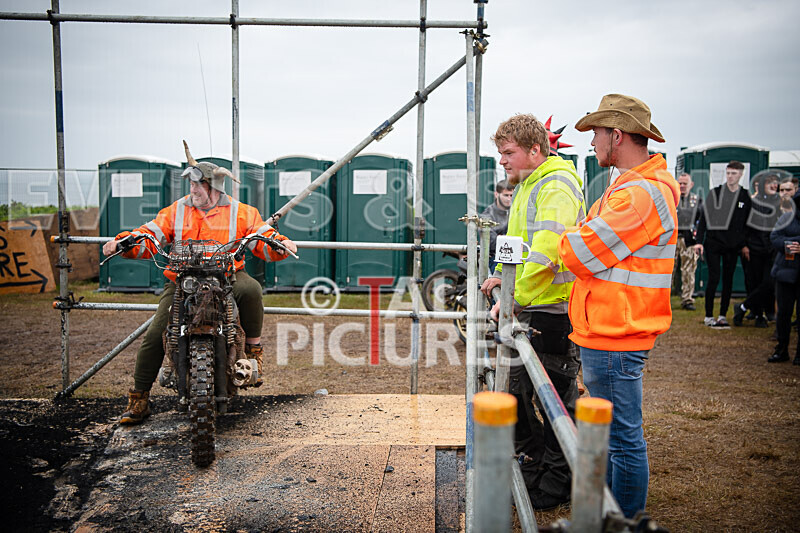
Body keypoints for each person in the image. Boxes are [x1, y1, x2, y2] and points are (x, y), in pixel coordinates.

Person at [102, 141, 298, 425]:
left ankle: (254, 351)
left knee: (252, 289)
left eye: (198, 186)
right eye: (191, 186)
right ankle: (139, 398)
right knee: (157, 330)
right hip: (183, 280)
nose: (192, 191)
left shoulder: (242, 212)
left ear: (216, 187)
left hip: (227, 276)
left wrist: (280, 244)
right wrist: (124, 242)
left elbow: (262, 236)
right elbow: (151, 234)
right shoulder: (176, 210)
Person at [557, 93, 678, 518]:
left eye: (595, 134)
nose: (591, 143)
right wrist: (577, 238)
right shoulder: (631, 188)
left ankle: (621, 521)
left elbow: (579, 251)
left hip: (617, 331)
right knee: (612, 436)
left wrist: (566, 239)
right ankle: (610, 514)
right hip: (612, 328)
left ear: (617, 135)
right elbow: (586, 243)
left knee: (621, 438)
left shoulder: (640, 194)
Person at [479, 114, 585, 511]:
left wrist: (512, 297)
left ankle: (559, 481)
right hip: (528, 306)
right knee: (516, 392)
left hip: (549, 313)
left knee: (554, 399)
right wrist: (497, 277)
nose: (502, 161)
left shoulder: (555, 185)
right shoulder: (529, 184)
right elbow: (516, 245)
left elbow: (546, 254)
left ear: (535, 150)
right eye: (501, 153)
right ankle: (537, 465)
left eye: (508, 153)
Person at [694, 161, 752, 328]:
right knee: (714, 277)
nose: (730, 176)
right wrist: (699, 242)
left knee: (728, 280)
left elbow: (747, 224)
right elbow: (703, 220)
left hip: (733, 246)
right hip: (713, 243)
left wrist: (744, 244)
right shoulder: (715, 193)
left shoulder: (745, 196)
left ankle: (722, 315)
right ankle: (708, 315)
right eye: (728, 173)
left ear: (740, 174)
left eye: (734, 173)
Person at [734, 172, 780, 327]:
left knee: (768, 282)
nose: (774, 185)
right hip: (754, 248)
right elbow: (742, 225)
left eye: (775, 182)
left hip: (771, 249)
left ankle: (743, 307)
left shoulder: (779, 202)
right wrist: (744, 245)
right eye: (770, 183)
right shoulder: (752, 202)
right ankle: (759, 315)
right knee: (755, 281)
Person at [768, 191, 800, 364]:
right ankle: (781, 349)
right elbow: (774, 237)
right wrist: (790, 244)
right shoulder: (787, 218)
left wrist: (796, 242)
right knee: (783, 315)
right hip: (785, 273)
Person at [674, 173, 702, 310]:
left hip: (689, 240)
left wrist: (699, 240)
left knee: (689, 270)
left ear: (691, 185)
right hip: (671, 240)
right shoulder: (671, 199)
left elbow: (701, 221)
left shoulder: (697, 201)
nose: (682, 186)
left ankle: (687, 299)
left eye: (685, 183)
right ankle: (662, 299)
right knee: (667, 270)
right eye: (680, 183)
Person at [481, 179, 513, 272]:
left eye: (511, 195)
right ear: (496, 194)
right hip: (496, 257)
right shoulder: (487, 215)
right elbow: (491, 242)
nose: (509, 198)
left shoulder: (516, 211)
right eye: (506, 195)